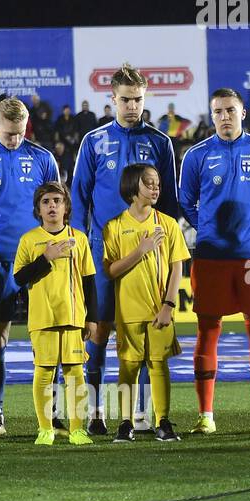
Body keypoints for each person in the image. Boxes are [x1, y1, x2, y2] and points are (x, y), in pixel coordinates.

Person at [71, 63, 178, 435]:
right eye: (125, 100)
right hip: (104, 248)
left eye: (138, 100)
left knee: (147, 331)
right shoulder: (93, 141)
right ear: (111, 99)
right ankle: (95, 411)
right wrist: (80, 246)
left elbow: (170, 202)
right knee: (99, 330)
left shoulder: (160, 142)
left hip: (150, 247)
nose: (132, 106)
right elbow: (79, 195)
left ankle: (143, 414)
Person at [178, 88, 250, 434]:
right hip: (210, 257)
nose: (225, 116)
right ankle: (205, 416)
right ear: (212, 116)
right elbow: (185, 201)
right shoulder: (196, 156)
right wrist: (207, 228)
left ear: (243, 113)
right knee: (208, 332)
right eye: (218, 111)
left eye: (230, 110)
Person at [0, 96, 58, 437]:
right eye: (9, 133)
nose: (15, 139)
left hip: (39, 259)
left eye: (20, 132)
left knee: (49, 336)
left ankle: (53, 413)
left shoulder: (43, 158)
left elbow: (55, 206)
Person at [103, 164, 188, 442]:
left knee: (158, 364)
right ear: (132, 187)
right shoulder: (114, 226)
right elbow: (111, 270)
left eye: (157, 184)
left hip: (159, 311)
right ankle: (125, 424)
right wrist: (141, 250)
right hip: (127, 311)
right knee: (128, 366)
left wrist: (169, 305)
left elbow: (177, 268)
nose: (155, 188)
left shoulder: (168, 224)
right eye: (149, 183)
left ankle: (163, 422)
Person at [13, 182, 97, 446]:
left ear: (66, 207)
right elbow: (18, 278)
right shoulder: (28, 240)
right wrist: (45, 258)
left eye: (57, 201)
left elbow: (89, 281)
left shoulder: (79, 238)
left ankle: (76, 430)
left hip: (73, 317)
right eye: (46, 201)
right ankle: (45, 429)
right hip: (42, 318)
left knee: (75, 374)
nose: (52, 206)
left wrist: (91, 317)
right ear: (38, 209)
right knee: (44, 373)